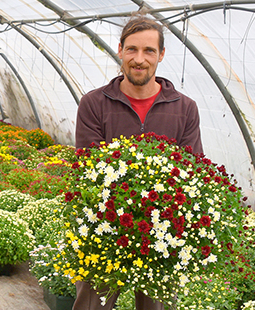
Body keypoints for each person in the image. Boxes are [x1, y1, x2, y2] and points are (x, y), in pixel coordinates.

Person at [73, 15, 203, 310]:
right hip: (103, 227)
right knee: (92, 303)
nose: (139, 59)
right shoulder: (95, 103)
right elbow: (89, 167)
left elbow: (193, 170)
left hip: (163, 232)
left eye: (149, 51)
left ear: (161, 55)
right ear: (119, 50)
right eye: (132, 49)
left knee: (156, 305)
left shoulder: (184, 109)